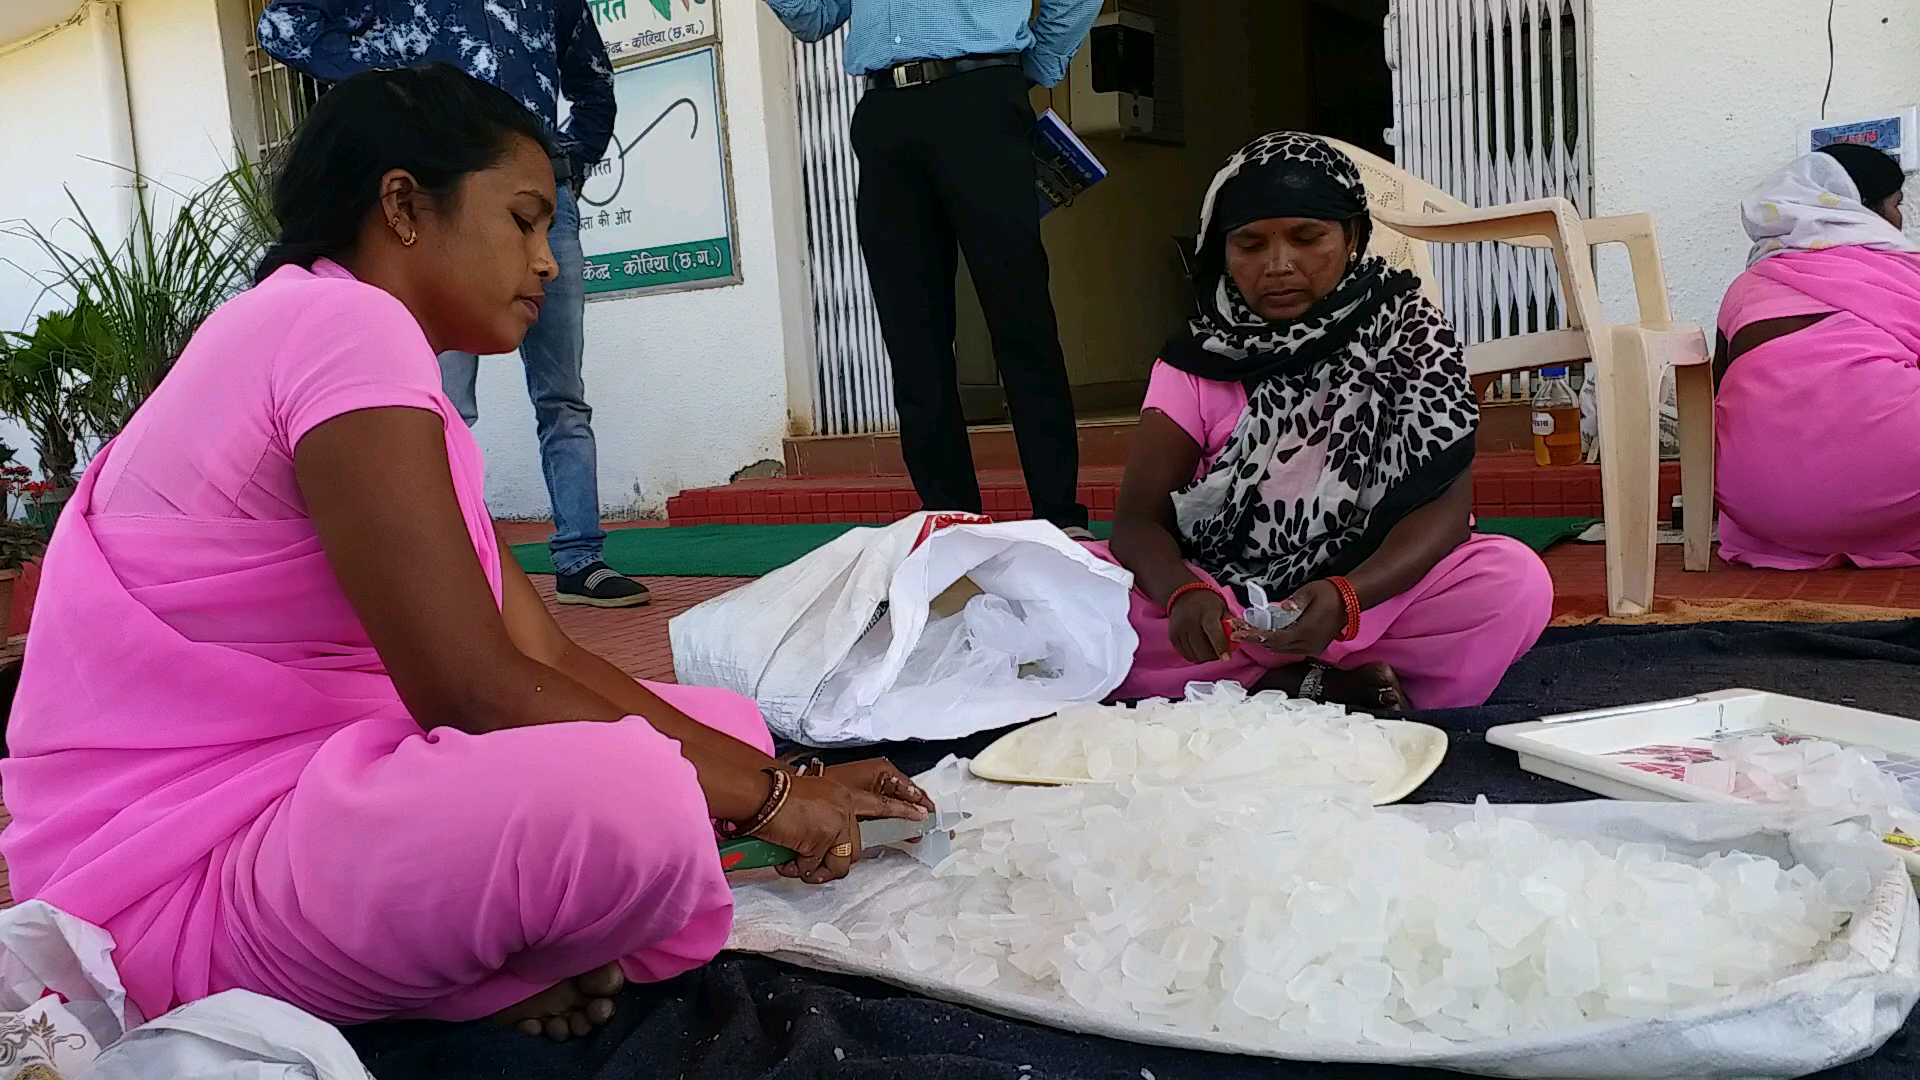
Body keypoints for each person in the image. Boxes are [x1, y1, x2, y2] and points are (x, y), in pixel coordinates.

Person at [0, 66, 933, 1043]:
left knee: (722, 731)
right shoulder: (342, 326)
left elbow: (546, 661)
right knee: (639, 801)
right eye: (524, 221)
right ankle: (463, 983)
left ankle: (476, 966)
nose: (549, 263)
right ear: (403, 204)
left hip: (296, 810)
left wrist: (775, 775)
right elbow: (471, 688)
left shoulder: (354, 352)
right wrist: (779, 802)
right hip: (164, 890)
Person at [1087, 133, 1553, 712]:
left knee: (1512, 582)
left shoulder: (1409, 337)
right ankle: (1315, 686)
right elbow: (1136, 522)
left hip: (1362, 601)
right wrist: (1182, 593)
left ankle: (1247, 688)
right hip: (1220, 604)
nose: (1279, 265)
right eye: (1250, 244)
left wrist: (1347, 596)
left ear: (1352, 237)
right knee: (1066, 589)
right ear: (1222, 251)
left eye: (1308, 238)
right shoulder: (1197, 359)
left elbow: (1446, 513)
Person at [259, 0, 651, 607]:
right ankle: (443, 569)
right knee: (430, 397)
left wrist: (562, 165)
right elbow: (283, 25)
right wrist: (401, 88)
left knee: (563, 395)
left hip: (535, 193)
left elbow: (593, 80)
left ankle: (582, 560)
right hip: (438, 195)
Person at [764, 0, 1102, 537]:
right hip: (884, 114)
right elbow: (815, 18)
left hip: (981, 97)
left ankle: (1059, 515)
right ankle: (950, 520)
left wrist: (1039, 64)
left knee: (1021, 318)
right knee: (911, 332)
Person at [1713, 143, 1920, 570]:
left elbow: (1715, 391)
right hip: (1898, 483)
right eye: (1898, 205)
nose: (1902, 220)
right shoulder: (1904, 269)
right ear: (1867, 209)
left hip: (1764, 506)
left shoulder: (1748, 284)